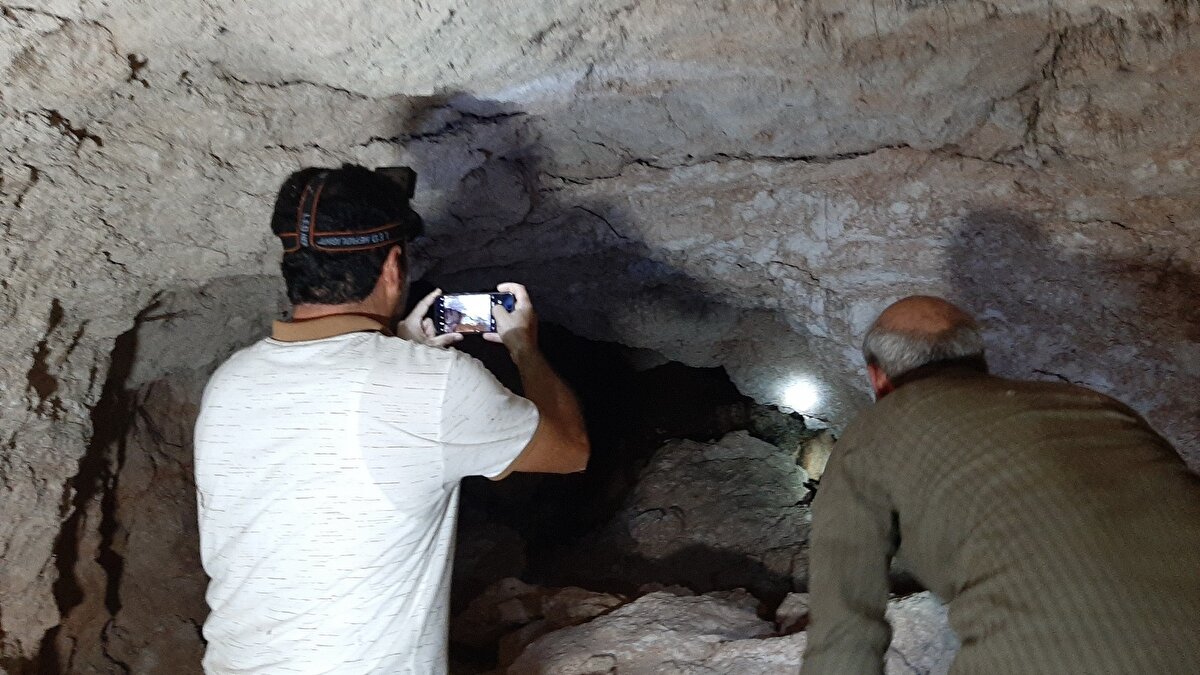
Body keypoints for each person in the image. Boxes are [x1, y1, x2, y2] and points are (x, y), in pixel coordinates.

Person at [193, 164, 589, 674]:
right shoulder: (433, 384)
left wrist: (398, 350)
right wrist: (523, 346)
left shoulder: (230, 381)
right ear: (393, 266)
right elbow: (570, 449)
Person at [801, 295, 1200, 674]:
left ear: (878, 378)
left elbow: (845, 617)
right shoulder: (1099, 406)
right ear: (979, 360)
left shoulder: (875, 430)